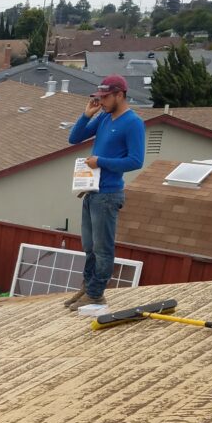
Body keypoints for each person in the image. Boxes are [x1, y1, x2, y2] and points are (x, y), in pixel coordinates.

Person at [65, 74, 145, 310]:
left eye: (105, 97)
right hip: (91, 191)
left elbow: (135, 161)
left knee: (102, 247)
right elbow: (74, 138)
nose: (101, 102)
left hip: (109, 194)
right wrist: (86, 115)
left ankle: (97, 293)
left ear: (120, 94)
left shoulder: (132, 122)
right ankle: (88, 287)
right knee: (89, 246)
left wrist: (101, 161)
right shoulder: (104, 118)